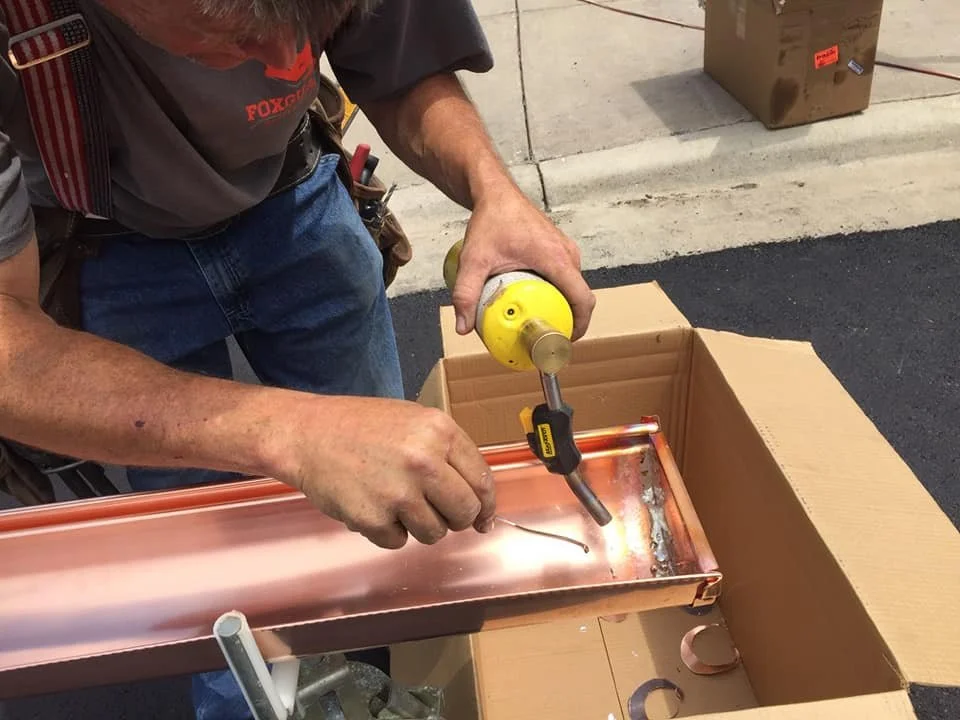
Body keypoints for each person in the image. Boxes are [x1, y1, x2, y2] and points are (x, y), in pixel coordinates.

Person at [0, 0, 596, 717]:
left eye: (309, 32)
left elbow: (401, 63)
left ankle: (367, 678)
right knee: (213, 568)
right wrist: (287, 430)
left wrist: (491, 189)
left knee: (385, 510)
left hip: (298, 197)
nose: (286, 66)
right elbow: (10, 351)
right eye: (242, 35)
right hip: (107, 246)